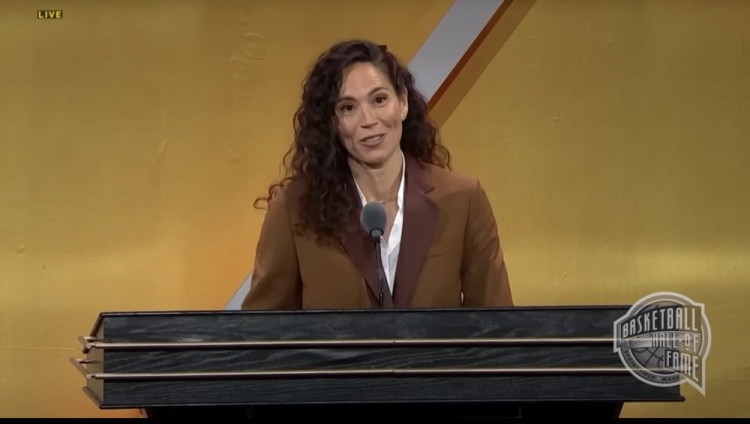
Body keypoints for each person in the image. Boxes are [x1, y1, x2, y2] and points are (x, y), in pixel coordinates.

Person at [241, 39, 513, 310]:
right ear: (333, 123)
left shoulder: (463, 199)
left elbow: (497, 324)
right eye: (348, 108)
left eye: (379, 100)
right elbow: (263, 329)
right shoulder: (294, 209)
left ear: (403, 103)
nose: (368, 120)